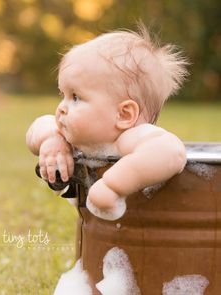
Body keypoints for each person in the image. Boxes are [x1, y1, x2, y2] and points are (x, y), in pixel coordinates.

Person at [26, 24, 189, 220]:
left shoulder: (131, 138)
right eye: (63, 95)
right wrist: (52, 139)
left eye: (76, 97)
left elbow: (171, 151)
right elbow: (38, 126)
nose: (62, 107)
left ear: (124, 115)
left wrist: (112, 186)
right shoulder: (80, 134)